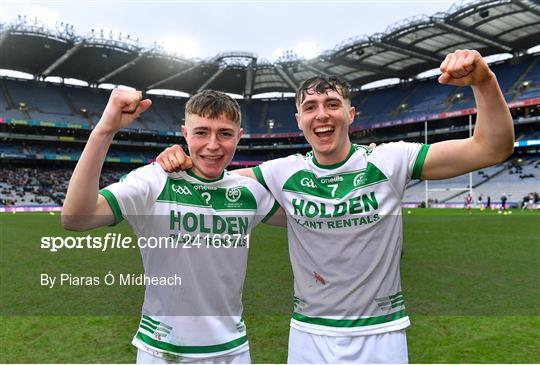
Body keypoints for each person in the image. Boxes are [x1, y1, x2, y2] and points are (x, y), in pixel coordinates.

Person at [156, 49, 514, 363]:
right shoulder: (282, 172)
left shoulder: (390, 160)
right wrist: (180, 158)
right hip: (309, 336)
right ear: (299, 120)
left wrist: (484, 81)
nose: (321, 114)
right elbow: (213, 177)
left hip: (381, 335)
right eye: (310, 107)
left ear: (351, 114)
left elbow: (490, 148)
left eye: (332, 105)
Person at [62, 89, 284, 363]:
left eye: (225, 134)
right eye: (201, 132)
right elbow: (76, 218)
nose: (213, 145)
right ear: (185, 133)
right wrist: (105, 130)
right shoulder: (155, 181)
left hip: (233, 350)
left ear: (239, 136)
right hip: (163, 352)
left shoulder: (251, 193)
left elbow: (310, 220)